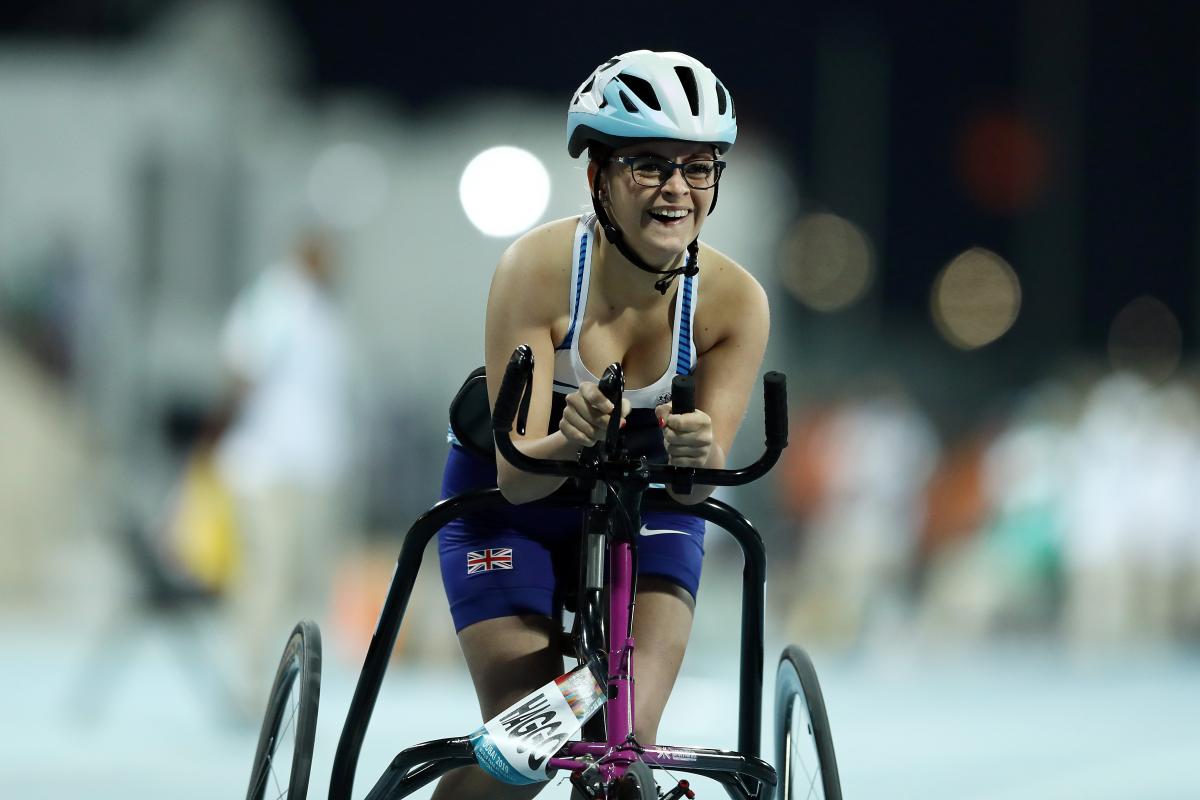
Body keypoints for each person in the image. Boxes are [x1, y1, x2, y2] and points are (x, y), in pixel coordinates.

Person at [433, 50, 769, 799]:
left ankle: (600, 719)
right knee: (528, 746)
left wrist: (700, 450)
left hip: (644, 505)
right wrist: (570, 438)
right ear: (599, 177)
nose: (677, 188)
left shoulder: (736, 304)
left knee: (626, 744)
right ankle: (546, 726)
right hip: (510, 508)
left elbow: (697, 491)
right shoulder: (537, 269)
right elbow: (517, 479)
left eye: (699, 166)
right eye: (650, 165)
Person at [212, 230, 357, 717]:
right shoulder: (273, 299)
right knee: (265, 578)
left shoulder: (322, 311)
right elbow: (242, 372)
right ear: (307, 252)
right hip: (267, 465)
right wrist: (216, 440)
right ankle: (246, 683)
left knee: (305, 584)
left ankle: (294, 688)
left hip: (313, 469)